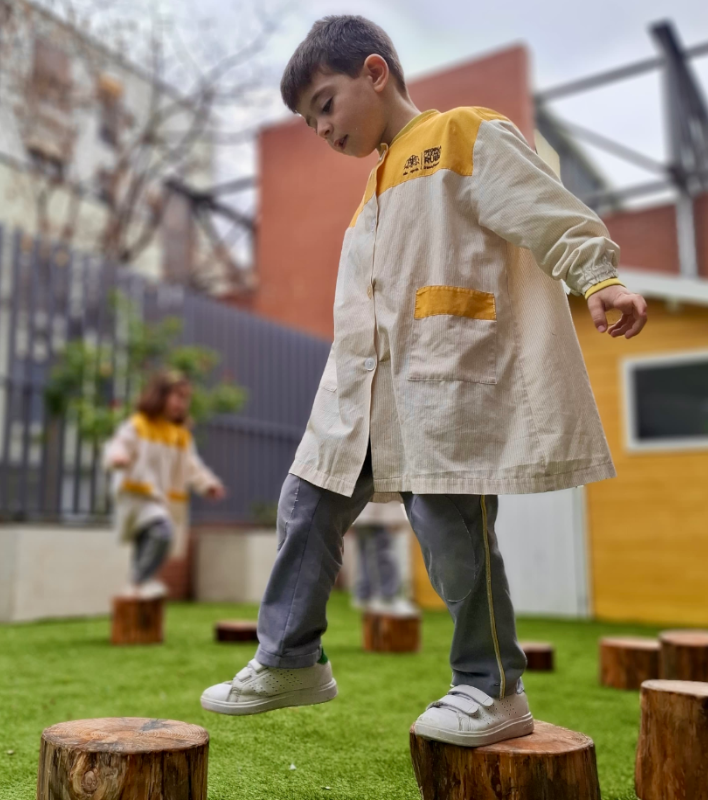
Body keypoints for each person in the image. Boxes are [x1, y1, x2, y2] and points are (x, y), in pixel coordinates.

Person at [198, 16, 648, 747]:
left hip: (446, 379)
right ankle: (290, 659)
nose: (321, 129)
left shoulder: (464, 134)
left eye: (324, 105)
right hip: (365, 393)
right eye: (309, 120)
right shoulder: (374, 182)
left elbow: (542, 208)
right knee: (306, 500)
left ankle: (492, 686)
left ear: (374, 72)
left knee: (452, 532)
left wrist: (598, 275)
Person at [106, 371, 226, 598]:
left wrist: (208, 484)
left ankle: (138, 588)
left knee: (147, 544)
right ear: (160, 395)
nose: (182, 403)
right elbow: (120, 443)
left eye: (185, 399)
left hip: (162, 500)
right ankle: (139, 581)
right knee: (161, 532)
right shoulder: (140, 424)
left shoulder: (180, 435)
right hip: (139, 495)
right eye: (177, 396)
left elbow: (193, 466)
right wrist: (118, 457)